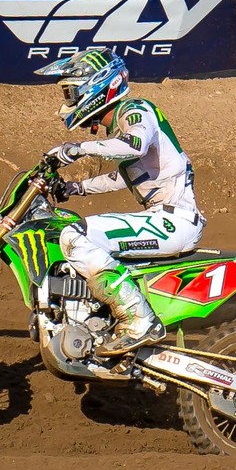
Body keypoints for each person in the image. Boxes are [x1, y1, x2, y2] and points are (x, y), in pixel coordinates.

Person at [38, 47, 202, 355]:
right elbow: (125, 175)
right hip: (166, 218)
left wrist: (79, 149)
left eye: (72, 92)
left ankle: (139, 321)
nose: (68, 101)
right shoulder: (121, 126)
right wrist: (74, 189)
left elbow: (134, 146)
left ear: (98, 85)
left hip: (173, 221)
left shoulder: (136, 109)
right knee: (72, 230)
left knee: (75, 236)